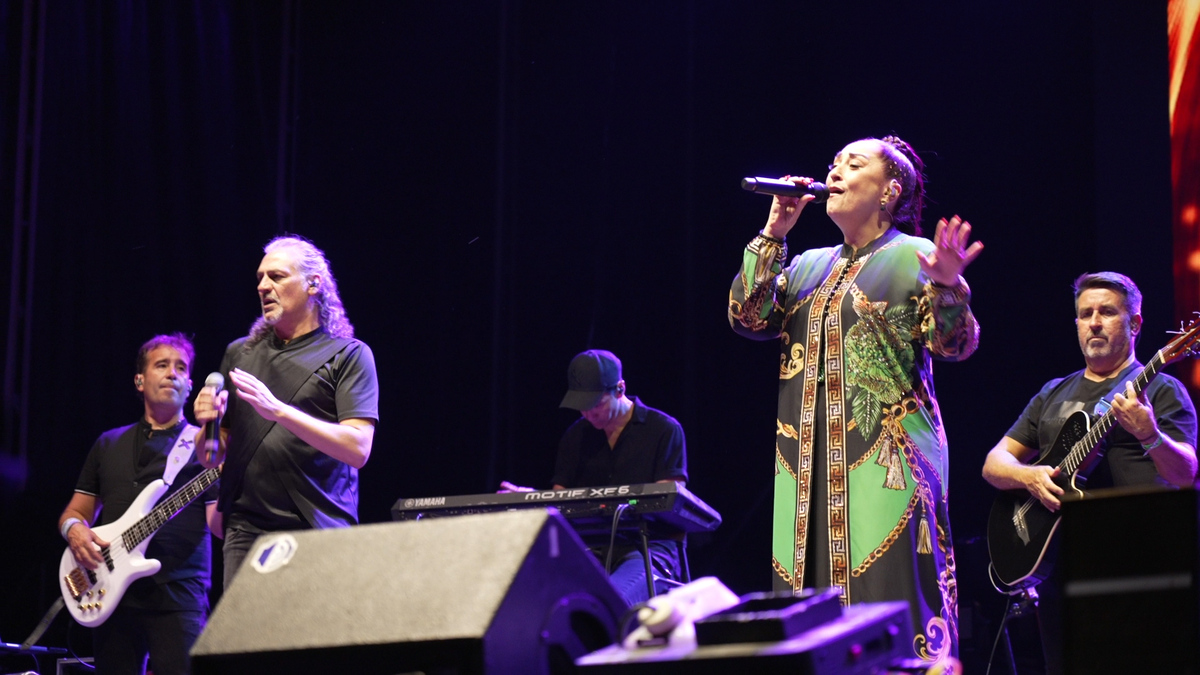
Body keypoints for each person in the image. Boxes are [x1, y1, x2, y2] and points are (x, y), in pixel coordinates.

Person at [728, 135, 982, 664]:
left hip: (888, 466)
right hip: (806, 467)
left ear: (890, 191)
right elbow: (747, 318)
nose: (835, 171)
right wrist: (774, 232)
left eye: (853, 162)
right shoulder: (806, 265)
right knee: (808, 604)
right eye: (833, 163)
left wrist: (948, 287)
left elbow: (954, 345)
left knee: (891, 601)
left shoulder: (915, 254)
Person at [982, 271, 1198, 674]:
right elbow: (995, 463)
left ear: (1135, 324)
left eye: (1107, 312)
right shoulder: (1053, 392)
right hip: (1060, 566)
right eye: (1085, 314)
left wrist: (1150, 434)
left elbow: (1187, 473)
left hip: (1139, 561)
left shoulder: (1163, 391)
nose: (1094, 322)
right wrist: (1028, 477)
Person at [194, 235, 379, 589]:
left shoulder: (349, 355)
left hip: (318, 525)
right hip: (246, 529)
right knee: (243, 642)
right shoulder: (241, 353)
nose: (263, 286)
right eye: (260, 278)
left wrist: (279, 411)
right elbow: (211, 455)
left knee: (310, 642)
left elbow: (358, 449)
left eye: (277, 277)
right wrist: (209, 426)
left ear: (314, 284)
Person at [58, 334, 218, 675]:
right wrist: (75, 532)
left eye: (181, 368)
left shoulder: (204, 450)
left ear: (190, 386)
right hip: (111, 592)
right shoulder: (108, 443)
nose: (172, 374)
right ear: (139, 380)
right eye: (162, 365)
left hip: (179, 595)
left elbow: (218, 525)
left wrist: (234, 478)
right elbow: (75, 513)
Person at [502, 349, 688, 606]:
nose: (588, 414)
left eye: (596, 404)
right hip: (591, 551)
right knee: (535, 604)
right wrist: (535, 500)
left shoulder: (664, 430)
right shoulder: (574, 437)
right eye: (581, 407)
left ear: (620, 389)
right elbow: (562, 506)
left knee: (607, 604)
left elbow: (666, 507)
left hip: (647, 549)